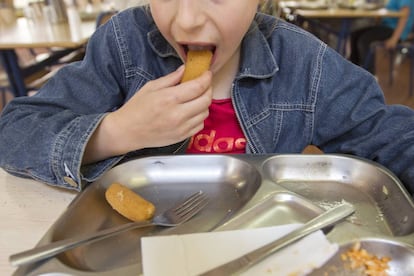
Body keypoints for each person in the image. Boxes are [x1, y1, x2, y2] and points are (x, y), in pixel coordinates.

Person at [0, 1, 413, 197]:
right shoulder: (124, 45)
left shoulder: (305, 62)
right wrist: (117, 131)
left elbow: (389, 135)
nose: (187, 20)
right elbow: (14, 131)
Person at [350, 0, 414, 73]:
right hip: (386, 27)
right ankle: (354, 70)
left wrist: (394, 39)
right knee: (355, 35)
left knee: (364, 40)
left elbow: (404, 16)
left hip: (395, 31)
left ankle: (369, 73)